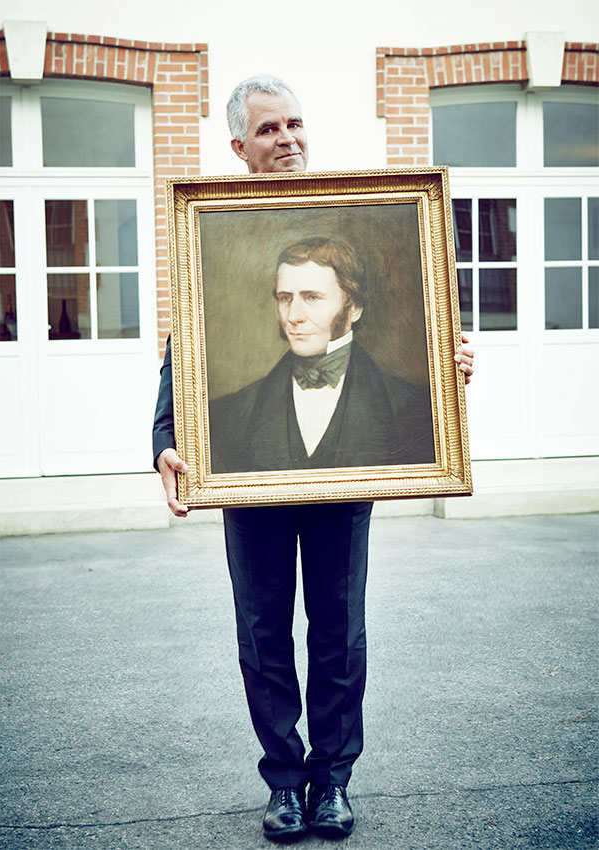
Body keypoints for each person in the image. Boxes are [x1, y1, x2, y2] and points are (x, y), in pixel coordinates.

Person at [153, 75, 474, 843]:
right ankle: (285, 784)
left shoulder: (356, 211)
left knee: (338, 631)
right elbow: (182, 355)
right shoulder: (211, 225)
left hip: (347, 471)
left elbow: (428, 332)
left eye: (296, 122)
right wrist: (167, 437)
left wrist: (446, 364)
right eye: (269, 129)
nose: (289, 138)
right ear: (239, 146)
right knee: (263, 634)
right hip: (249, 470)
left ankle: (333, 780)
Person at [209, 235, 435, 473]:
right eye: (285, 298)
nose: (294, 316)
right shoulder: (231, 413)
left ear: (354, 308)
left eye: (312, 298)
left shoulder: (411, 407)